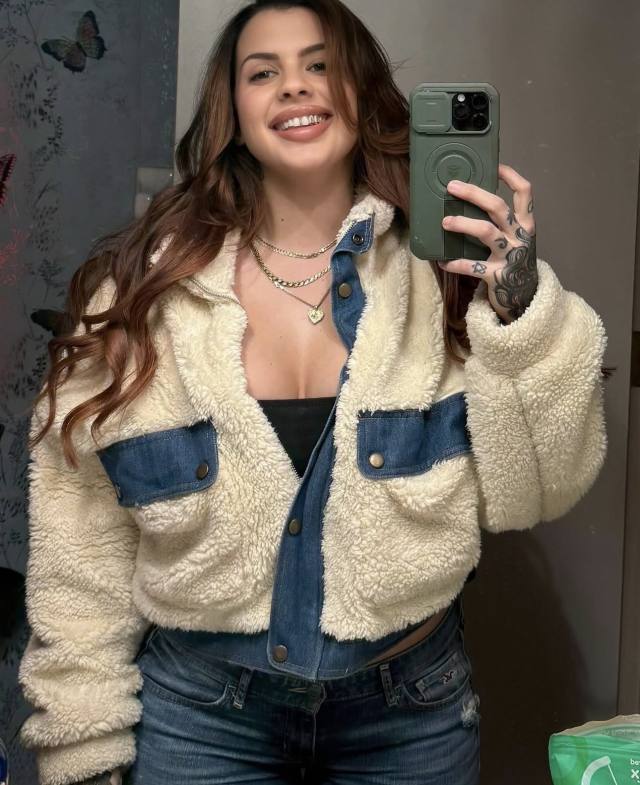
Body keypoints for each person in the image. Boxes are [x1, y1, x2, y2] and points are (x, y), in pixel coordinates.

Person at [17, 1, 609, 783]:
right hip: (198, 719)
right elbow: (80, 545)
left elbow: (539, 490)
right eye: (264, 72)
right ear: (235, 111)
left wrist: (521, 311)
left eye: (321, 65)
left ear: (360, 91)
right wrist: (81, 747)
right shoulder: (143, 295)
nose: (295, 86)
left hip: (410, 717)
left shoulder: (448, 279)